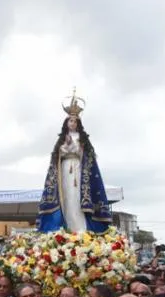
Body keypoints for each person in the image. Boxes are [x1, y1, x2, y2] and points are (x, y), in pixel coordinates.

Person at [37, 92, 112, 233]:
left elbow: (88, 156)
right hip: (65, 169)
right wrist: (65, 146)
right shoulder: (61, 139)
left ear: (78, 123)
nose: (72, 123)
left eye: (75, 121)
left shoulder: (82, 138)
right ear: (66, 123)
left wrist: (77, 147)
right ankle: (67, 227)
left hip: (79, 170)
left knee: (76, 197)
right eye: (70, 121)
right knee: (66, 197)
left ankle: (81, 228)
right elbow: (56, 157)